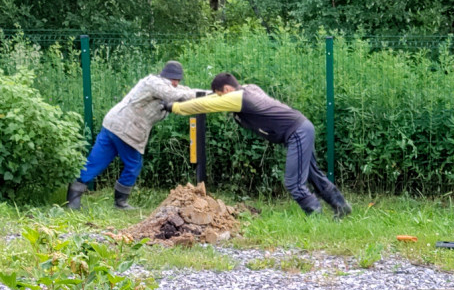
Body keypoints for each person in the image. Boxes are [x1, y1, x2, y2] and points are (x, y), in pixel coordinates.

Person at [162, 73, 352, 219]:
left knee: (294, 183)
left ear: (227, 90)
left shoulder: (239, 98)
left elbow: (203, 106)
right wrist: (197, 96)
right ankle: (341, 208)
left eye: (221, 95)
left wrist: (175, 107)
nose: (221, 100)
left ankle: (316, 218)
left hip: (297, 132)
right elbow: (210, 99)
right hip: (302, 127)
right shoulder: (249, 88)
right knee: (314, 175)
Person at [66, 61, 197, 210]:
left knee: (96, 161)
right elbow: (173, 94)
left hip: (112, 124)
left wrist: (211, 93)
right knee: (133, 164)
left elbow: (184, 91)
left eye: (178, 80)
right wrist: (196, 95)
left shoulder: (163, 84)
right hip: (127, 129)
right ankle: (120, 203)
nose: (176, 82)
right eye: (174, 79)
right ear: (167, 77)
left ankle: (72, 201)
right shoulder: (156, 83)